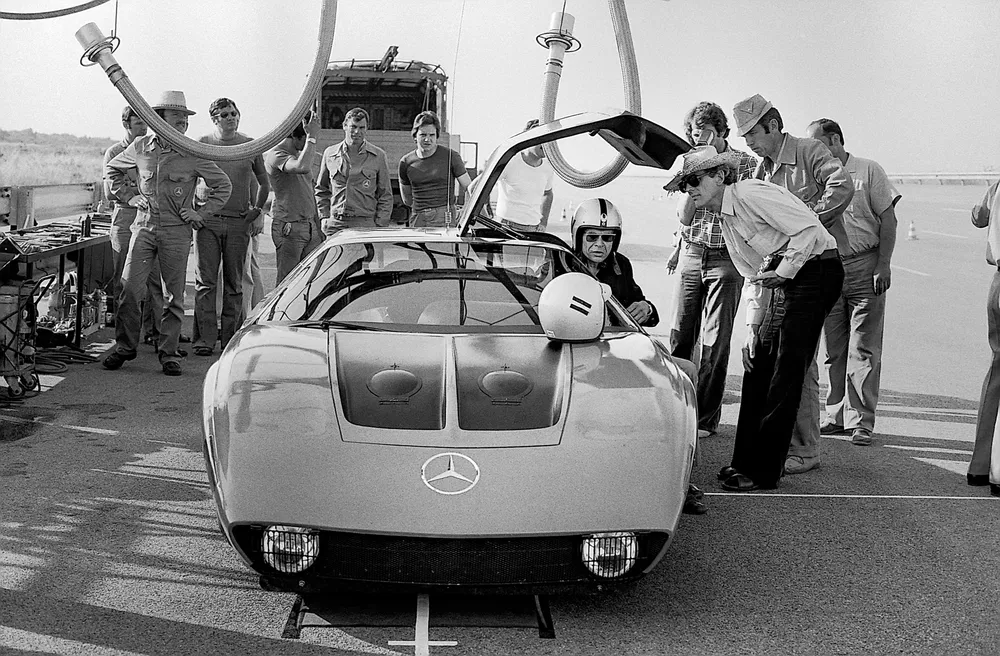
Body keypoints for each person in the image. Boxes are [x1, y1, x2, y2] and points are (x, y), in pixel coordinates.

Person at [665, 146, 844, 492]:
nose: (688, 189)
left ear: (719, 176)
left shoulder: (750, 193)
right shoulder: (726, 220)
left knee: (787, 370)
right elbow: (757, 273)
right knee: (757, 364)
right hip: (787, 276)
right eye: (684, 184)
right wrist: (752, 327)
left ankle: (764, 472)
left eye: (693, 180)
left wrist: (786, 271)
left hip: (817, 271)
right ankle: (743, 461)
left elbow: (809, 230)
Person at [734, 94, 854, 475]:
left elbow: (842, 183)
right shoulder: (760, 171)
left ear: (772, 125)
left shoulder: (808, 150)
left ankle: (806, 448)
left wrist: (809, 221)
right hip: (787, 272)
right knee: (787, 361)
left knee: (802, 364)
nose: (748, 142)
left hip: (819, 266)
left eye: (752, 133)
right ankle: (784, 442)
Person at [570, 198, 714, 514]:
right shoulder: (559, 266)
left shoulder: (621, 265)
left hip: (621, 352)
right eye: (591, 237)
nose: (599, 245)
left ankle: (683, 479)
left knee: (687, 370)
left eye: (607, 238)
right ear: (578, 236)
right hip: (574, 357)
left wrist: (646, 308)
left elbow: (646, 311)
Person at [103, 90, 232, 376]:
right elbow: (112, 170)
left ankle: (169, 354)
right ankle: (125, 346)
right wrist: (129, 196)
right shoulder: (140, 147)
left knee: (173, 296)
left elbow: (223, 186)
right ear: (158, 120)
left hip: (176, 232)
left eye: (185, 122)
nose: (182, 127)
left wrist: (200, 213)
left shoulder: (193, 153)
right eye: (176, 120)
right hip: (143, 227)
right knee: (129, 289)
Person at [805, 118, 901, 447]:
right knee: (834, 350)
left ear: (835, 140)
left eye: (818, 143)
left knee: (863, 348)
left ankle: (862, 420)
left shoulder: (868, 171)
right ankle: (835, 415)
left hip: (866, 266)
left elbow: (888, 217)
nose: (813, 150)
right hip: (830, 267)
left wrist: (883, 264)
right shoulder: (816, 176)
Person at [667, 102, 757, 440]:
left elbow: (747, 210)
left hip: (727, 258)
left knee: (715, 340)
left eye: (703, 133)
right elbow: (684, 217)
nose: (696, 137)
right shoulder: (687, 160)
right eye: (692, 133)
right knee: (679, 335)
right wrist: (693, 167)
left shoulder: (746, 163)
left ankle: (705, 419)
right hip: (693, 252)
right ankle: (676, 409)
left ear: (720, 132)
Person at [193, 97, 269, 356]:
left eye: (234, 113)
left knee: (235, 283)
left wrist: (256, 211)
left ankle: (230, 340)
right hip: (208, 223)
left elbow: (264, 183)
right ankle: (204, 340)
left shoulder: (249, 146)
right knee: (206, 282)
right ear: (214, 119)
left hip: (239, 222)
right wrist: (194, 212)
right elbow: (189, 176)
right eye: (225, 114)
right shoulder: (203, 144)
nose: (231, 118)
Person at [102, 106, 164, 348]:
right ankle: (126, 336)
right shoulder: (115, 152)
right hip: (126, 217)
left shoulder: (150, 150)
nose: (143, 127)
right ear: (126, 124)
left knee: (154, 279)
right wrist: (133, 195)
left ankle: (156, 331)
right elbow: (109, 191)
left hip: (150, 218)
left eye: (145, 122)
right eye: (138, 122)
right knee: (124, 281)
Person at [968, 180, 1000, 497]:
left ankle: (980, 465)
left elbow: (978, 216)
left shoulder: (997, 184)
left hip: (998, 283)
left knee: (997, 374)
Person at [265, 111, 324, 284]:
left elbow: (309, 191)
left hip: (308, 225)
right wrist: (312, 137)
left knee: (309, 282)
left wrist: (317, 226)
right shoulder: (277, 154)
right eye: (305, 140)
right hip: (289, 226)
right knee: (287, 283)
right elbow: (302, 167)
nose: (308, 145)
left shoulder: (299, 154)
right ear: (297, 137)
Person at [315, 107, 392, 235]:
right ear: (345, 126)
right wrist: (324, 217)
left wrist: (380, 224)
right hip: (336, 223)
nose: (357, 132)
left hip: (365, 224)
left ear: (367, 128)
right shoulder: (330, 154)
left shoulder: (378, 156)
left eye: (362, 128)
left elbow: (385, 194)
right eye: (353, 127)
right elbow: (321, 189)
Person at [398, 111, 471, 227]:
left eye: (431, 135)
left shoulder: (451, 156)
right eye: (423, 135)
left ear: (437, 136)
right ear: (415, 136)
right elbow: (406, 198)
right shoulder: (405, 162)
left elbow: (469, 187)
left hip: (445, 217)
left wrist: (465, 211)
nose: (427, 139)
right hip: (418, 218)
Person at [495, 119, 555, 232]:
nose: (546, 143)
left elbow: (548, 194)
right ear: (528, 138)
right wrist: (482, 221)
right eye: (542, 138)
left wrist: (543, 222)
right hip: (505, 228)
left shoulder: (548, 167)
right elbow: (475, 188)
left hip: (533, 230)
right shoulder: (510, 161)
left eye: (549, 139)